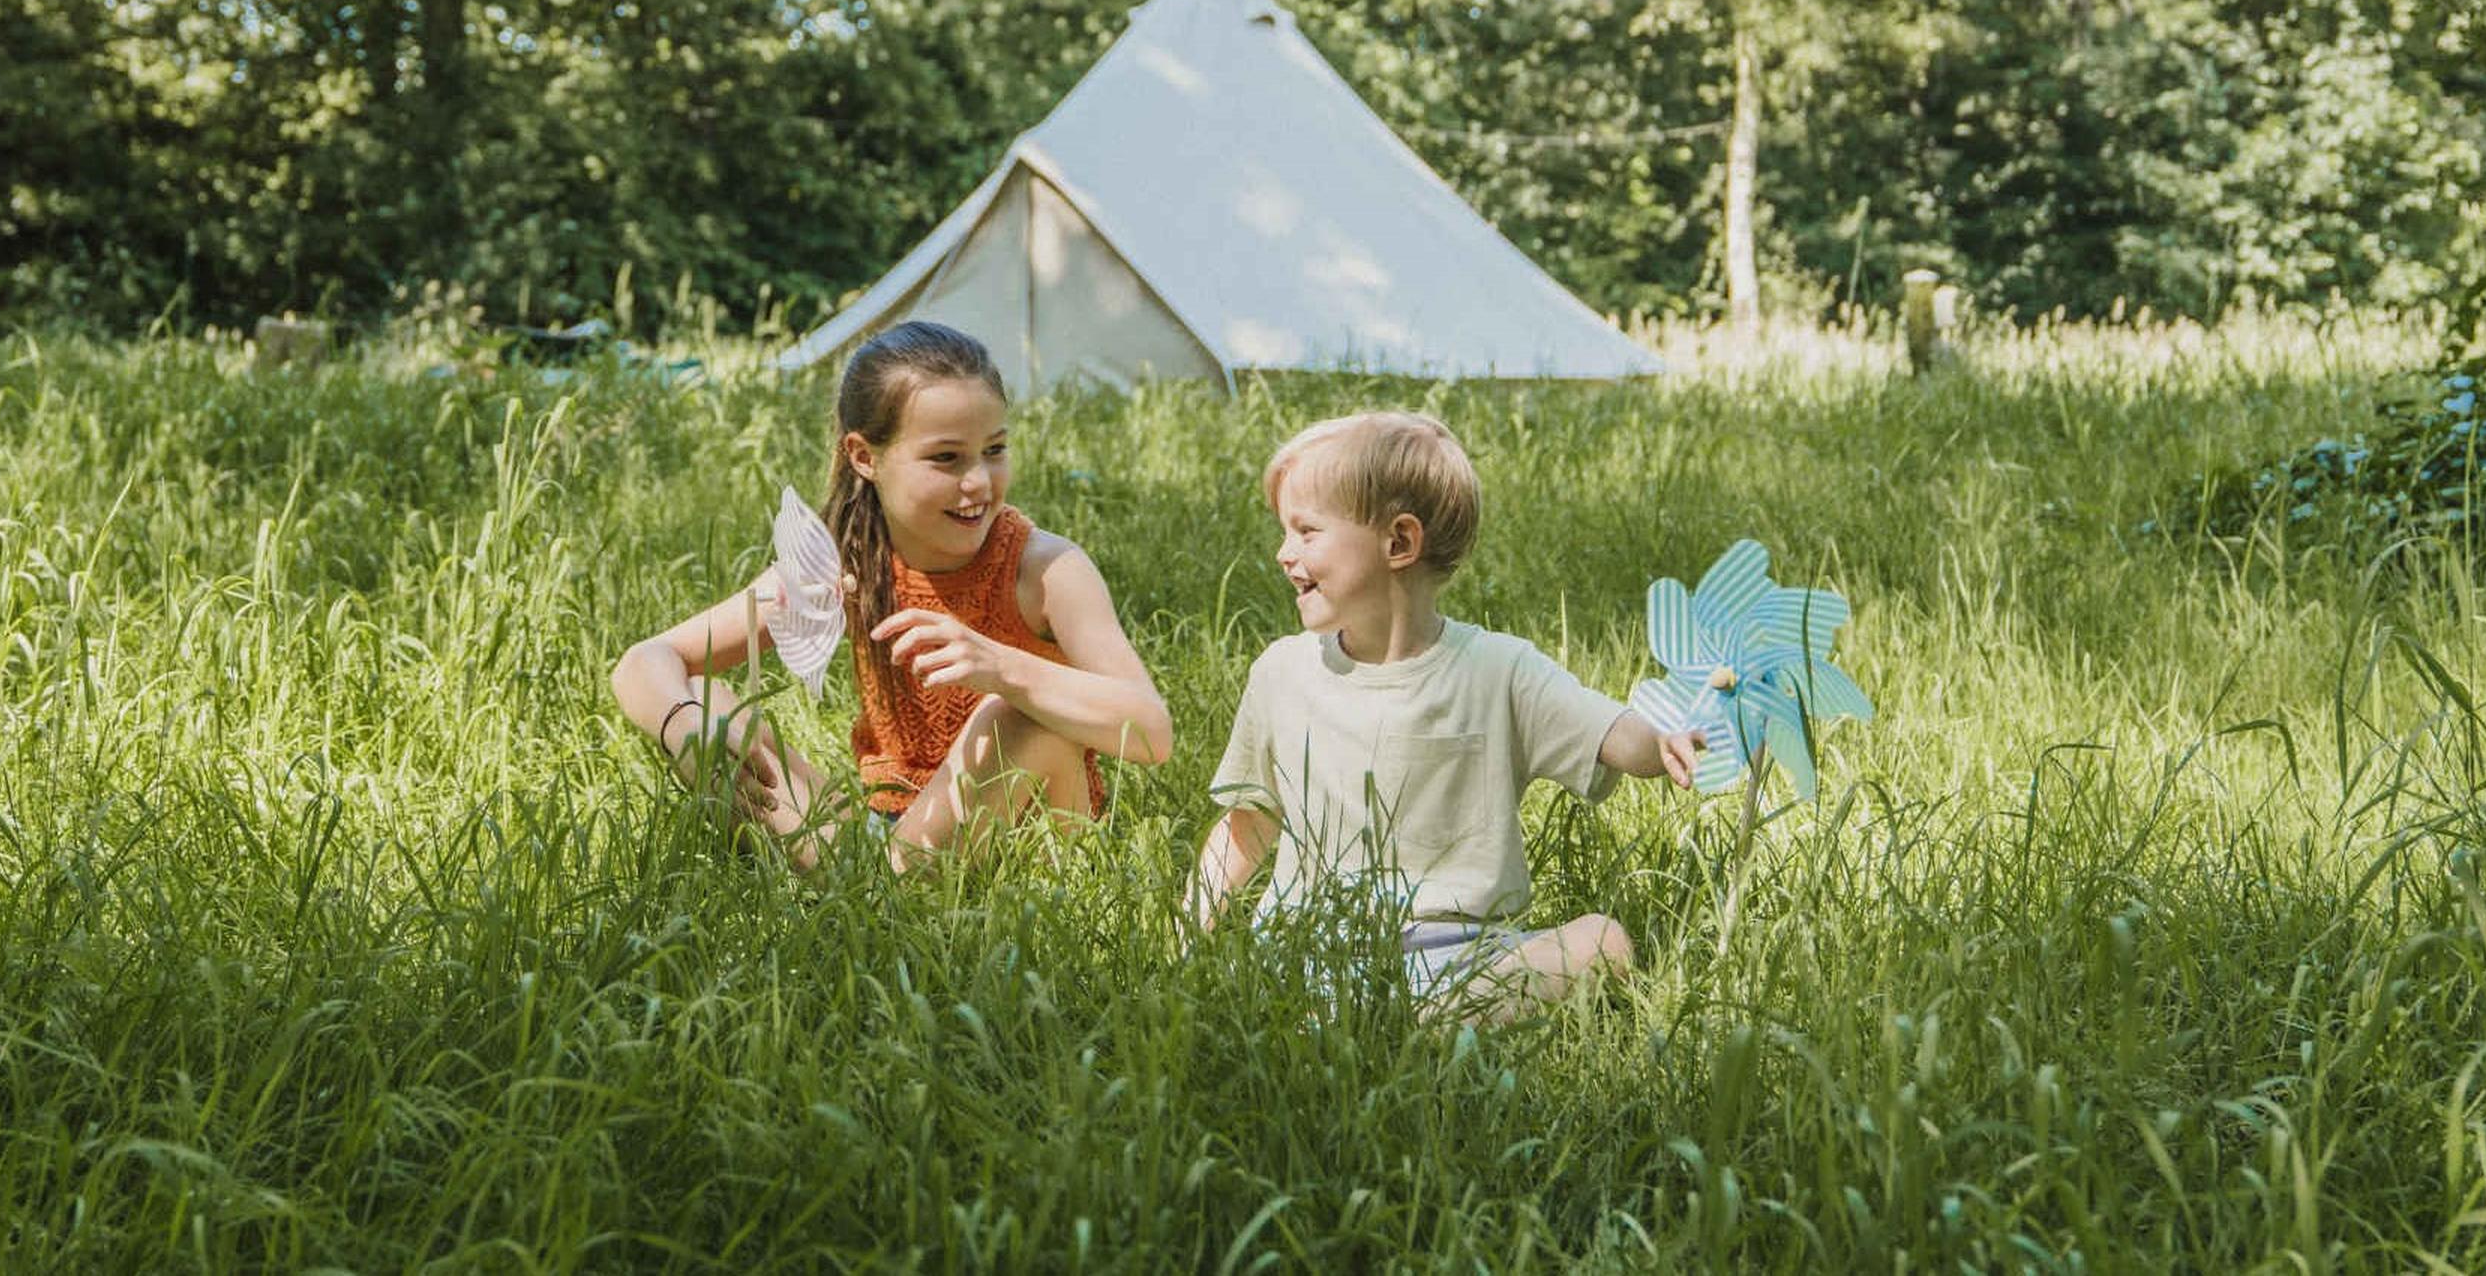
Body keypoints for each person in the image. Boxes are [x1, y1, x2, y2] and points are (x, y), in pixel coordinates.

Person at [1187, 410, 1700, 1017]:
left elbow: (1613, 733)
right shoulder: (1282, 673)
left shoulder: (1498, 670)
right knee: (1306, 990)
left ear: (1398, 543)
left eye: (1306, 531)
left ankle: (1397, 1019)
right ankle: (1398, 1021)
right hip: (1310, 951)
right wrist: (1186, 940)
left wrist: (1666, 736)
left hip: (1461, 956)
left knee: (1605, 942)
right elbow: (1248, 823)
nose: (1283, 553)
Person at [605, 320, 1173, 867]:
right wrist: (684, 722)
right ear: (863, 456)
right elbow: (644, 661)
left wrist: (1004, 669)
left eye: (994, 450)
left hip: (1029, 836)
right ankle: (878, 881)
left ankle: (874, 893)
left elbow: (1152, 732)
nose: (978, 481)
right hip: (890, 828)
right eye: (946, 458)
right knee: (701, 698)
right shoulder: (846, 565)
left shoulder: (1046, 570)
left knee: (1014, 716)